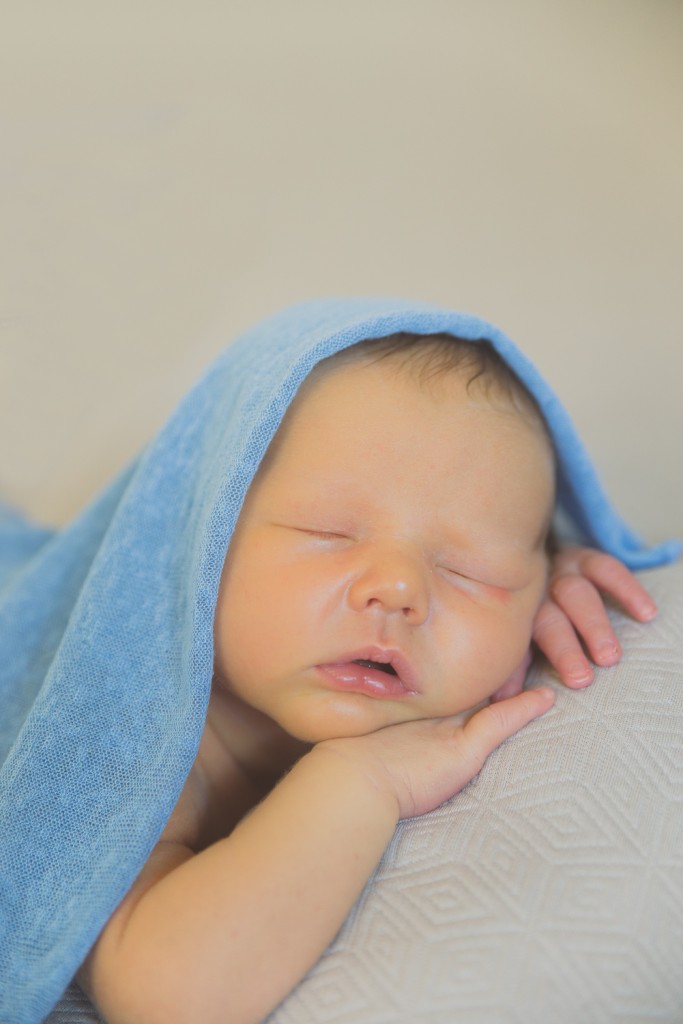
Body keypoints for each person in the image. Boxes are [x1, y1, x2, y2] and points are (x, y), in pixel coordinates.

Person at [74, 331, 658, 1024]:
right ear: (195, 536)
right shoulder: (116, 732)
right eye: (328, 532)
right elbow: (168, 994)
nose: (400, 587)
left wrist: (560, 587)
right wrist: (360, 781)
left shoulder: (516, 621)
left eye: (471, 571)